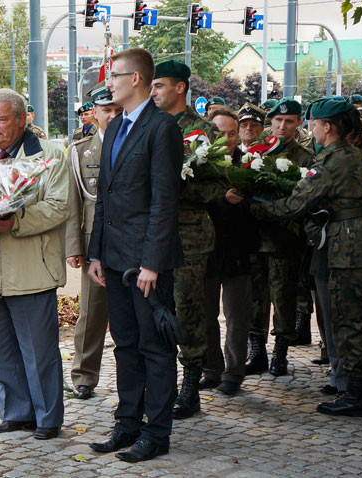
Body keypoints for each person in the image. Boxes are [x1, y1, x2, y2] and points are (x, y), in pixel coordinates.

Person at [87, 48, 183, 463]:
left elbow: (164, 202)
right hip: (114, 259)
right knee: (124, 345)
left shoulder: (161, 128)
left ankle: (156, 433)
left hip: (146, 263)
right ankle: (127, 424)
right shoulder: (114, 128)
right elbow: (103, 199)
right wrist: (95, 254)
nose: (110, 82)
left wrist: (152, 264)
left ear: (137, 80)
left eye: (116, 75)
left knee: (155, 348)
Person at [249, 99, 362, 417]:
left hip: (345, 247)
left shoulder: (330, 163)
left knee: (348, 320)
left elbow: (295, 204)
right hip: (356, 241)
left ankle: (356, 393)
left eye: (313, 124)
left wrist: (253, 206)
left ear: (327, 127)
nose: (310, 129)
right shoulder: (355, 156)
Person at [0, 88, 69, 441]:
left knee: (38, 351)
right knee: (3, 349)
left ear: (23, 120)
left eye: (2, 119)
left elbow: (59, 206)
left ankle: (47, 418)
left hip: (30, 270)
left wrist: (18, 220)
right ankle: (17, 413)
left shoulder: (52, 156)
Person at [150, 59, 228, 419]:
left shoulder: (201, 132)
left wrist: (178, 186)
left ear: (180, 87)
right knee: (154, 308)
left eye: (159, 85)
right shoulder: (150, 124)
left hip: (188, 235)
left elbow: (217, 184)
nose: (153, 92)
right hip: (153, 234)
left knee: (188, 308)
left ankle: (191, 384)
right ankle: (161, 380)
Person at [247, 98, 315, 377]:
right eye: (277, 120)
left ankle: (281, 353)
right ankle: (257, 351)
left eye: (288, 121)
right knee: (255, 297)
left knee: (284, 296)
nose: (282, 126)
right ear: (270, 122)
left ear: (298, 123)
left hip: (285, 240)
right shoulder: (257, 152)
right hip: (255, 237)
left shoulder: (304, 157)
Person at [65, 82, 123, 400]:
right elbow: (73, 202)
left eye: (117, 110)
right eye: (106, 110)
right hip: (94, 243)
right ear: (95, 114)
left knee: (132, 311)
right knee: (91, 312)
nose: (112, 116)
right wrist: (73, 245)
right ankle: (84, 374)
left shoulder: (138, 145)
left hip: (130, 241)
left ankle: (133, 372)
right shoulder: (80, 151)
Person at [200, 108, 259, 395]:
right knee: (205, 314)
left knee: (237, 315)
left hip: (238, 249)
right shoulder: (199, 165)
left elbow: (259, 209)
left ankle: (234, 372)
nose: (226, 139)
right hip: (207, 251)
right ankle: (211, 368)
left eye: (231, 133)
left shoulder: (251, 165)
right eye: (220, 133)